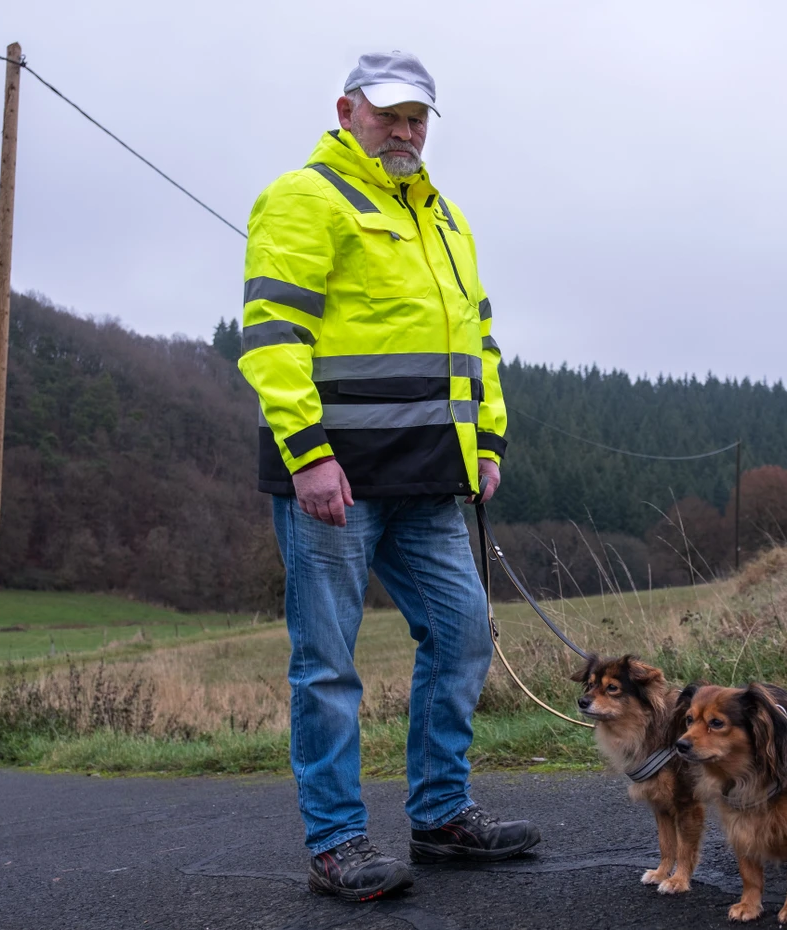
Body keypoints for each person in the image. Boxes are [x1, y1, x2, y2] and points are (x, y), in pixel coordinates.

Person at [238, 50, 539, 902]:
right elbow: (272, 338)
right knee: (327, 663)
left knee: (465, 634)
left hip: (430, 480)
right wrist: (308, 455)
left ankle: (442, 816)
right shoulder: (305, 196)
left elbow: (478, 343)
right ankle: (337, 843)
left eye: (417, 118)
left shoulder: (444, 217)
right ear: (347, 110)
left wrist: (487, 444)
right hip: (336, 484)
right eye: (389, 114)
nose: (405, 131)